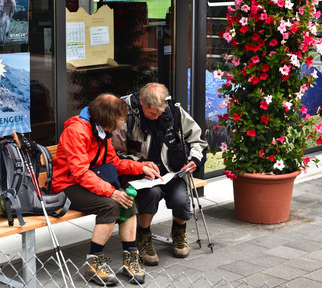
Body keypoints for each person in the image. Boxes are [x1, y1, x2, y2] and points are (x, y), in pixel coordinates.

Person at [52, 93, 161, 286]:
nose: (122, 122)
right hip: (68, 186)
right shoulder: (77, 131)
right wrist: (111, 192)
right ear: (107, 118)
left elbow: (113, 162)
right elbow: (79, 173)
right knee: (111, 205)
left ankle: (131, 259)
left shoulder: (101, 131)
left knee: (128, 199)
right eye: (120, 118)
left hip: (93, 179)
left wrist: (139, 167)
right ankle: (93, 264)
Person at [112, 82, 208, 266]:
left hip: (172, 171)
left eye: (160, 113)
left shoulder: (175, 112)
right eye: (151, 114)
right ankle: (144, 235)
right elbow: (115, 154)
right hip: (141, 175)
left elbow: (197, 139)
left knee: (181, 199)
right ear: (141, 102)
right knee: (152, 194)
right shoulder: (126, 114)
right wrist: (140, 165)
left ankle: (179, 231)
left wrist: (195, 160)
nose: (156, 117)